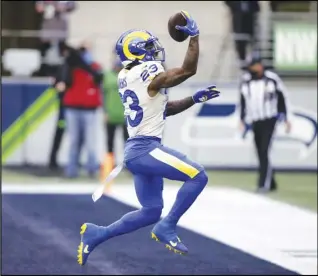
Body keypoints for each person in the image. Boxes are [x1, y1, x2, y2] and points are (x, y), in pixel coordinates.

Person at [77, 11, 220, 266]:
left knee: (151, 210)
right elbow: (188, 69)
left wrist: (193, 99)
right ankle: (168, 227)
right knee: (198, 175)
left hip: (138, 151)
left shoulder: (127, 75)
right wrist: (194, 38)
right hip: (145, 149)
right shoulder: (146, 71)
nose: (156, 52)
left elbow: (164, 109)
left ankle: (96, 234)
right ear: (138, 53)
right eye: (150, 48)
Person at [239, 53, 292, 193]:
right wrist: (242, 119)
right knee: (260, 152)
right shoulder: (245, 81)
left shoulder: (272, 79)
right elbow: (243, 102)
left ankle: (263, 184)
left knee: (264, 150)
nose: (250, 69)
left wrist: (286, 118)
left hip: (269, 119)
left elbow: (282, 98)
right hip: (255, 120)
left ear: (259, 65)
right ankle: (272, 182)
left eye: (252, 65)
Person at [56, 42, 103, 178]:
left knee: (90, 141)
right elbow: (61, 81)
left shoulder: (95, 68)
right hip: (72, 108)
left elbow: (99, 86)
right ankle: (72, 170)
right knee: (74, 141)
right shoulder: (70, 67)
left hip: (90, 109)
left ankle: (92, 169)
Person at [100, 59, 129, 184]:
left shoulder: (128, 76)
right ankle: (109, 167)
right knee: (109, 142)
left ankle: (128, 166)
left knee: (127, 143)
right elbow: (103, 95)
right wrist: (105, 111)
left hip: (125, 115)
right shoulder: (107, 75)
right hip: (111, 115)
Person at [35, 1, 76, 76]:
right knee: (43, 58)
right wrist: (48, 7)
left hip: (61, 34)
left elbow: (72, 6)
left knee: (63, 59)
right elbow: (38, 8)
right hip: (47, 35)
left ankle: (61, 78)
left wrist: (60, 7)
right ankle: (42, 76)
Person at [224, 1, 260, 69]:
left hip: (250, 23)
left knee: (252, 44)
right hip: (239, 23)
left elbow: (257, 7)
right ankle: (242, 61)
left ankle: (253, 63)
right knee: (240, 43)